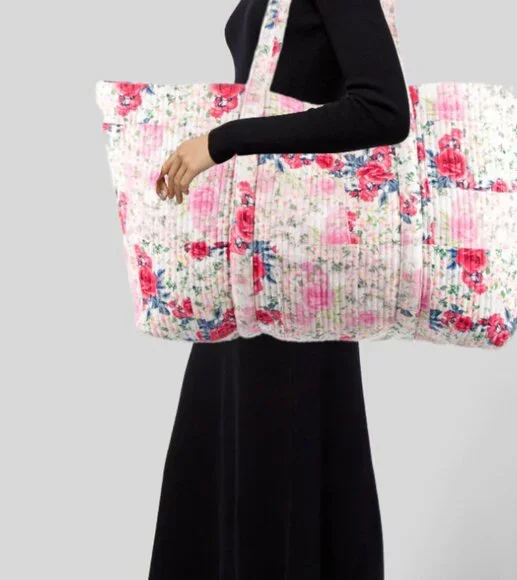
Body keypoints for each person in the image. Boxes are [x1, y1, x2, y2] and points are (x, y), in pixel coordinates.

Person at [148, 0, 410, 579]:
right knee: (227, 458)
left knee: (276, 462)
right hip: (249, 259)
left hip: (297, 270)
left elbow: (384, 110)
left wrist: (223, 140)